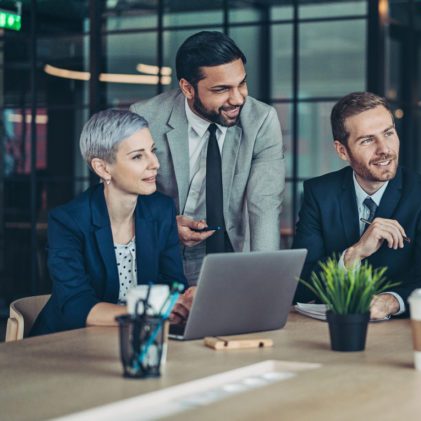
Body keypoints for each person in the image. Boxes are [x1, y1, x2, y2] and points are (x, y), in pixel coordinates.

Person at [130, 31, 284, 284]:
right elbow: (127, 196)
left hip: (230, 254)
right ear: (187, 88)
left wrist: (263, 279)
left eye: (242, 84)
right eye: (222, 89)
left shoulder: (261, 120)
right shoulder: (147, 119)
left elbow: (265, 204)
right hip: (162, 253)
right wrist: (166, 226)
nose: (237, 98)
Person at [31, 110, 192, 336]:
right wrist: (148, 313)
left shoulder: (161, 209)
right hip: (68, 343)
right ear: (103, 168)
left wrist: (183, 301)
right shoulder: (67, 221)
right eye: (138, 156)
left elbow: (173, 283)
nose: (154, 163)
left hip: (136, 338)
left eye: (152, 151)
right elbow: (77, 306)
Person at [292, 92, 421, 319]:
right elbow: (302, 284)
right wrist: (355, 253)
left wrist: (390, 302)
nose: (384, 149)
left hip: (400, 334)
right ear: (342, 151)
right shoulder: (319, 194)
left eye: (388, 133)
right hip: (329, 330)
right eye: (367, 140)